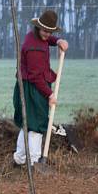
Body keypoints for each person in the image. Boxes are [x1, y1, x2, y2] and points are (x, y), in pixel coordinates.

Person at [12, 9, 68, 165]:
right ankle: (36, 162)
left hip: (29, 85)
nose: (47, 34)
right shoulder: (34, 49)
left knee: (27, 123)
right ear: (38, 27)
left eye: (50, 32)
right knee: (36, 125)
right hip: (33, 89)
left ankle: (19, 158)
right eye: (45, 31)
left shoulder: (34, 35)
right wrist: (49, 94)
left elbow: (46, 39)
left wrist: (57, 41)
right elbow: (36, 77)